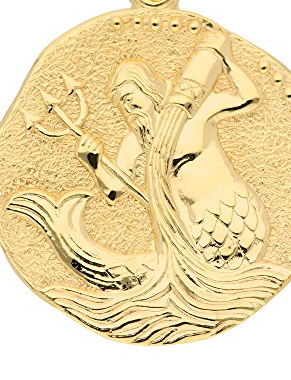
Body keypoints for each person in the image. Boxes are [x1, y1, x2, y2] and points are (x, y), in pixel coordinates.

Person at [76, 27, 269, 270]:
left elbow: (249, 97)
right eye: (121, 104)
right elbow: (115, 189)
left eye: (129, 97)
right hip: (190, 230)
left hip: (233, 212)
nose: (127, 107)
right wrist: (93, 164)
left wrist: (226, 59)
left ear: (147, 88)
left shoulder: (194, 113)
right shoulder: (135, 142)